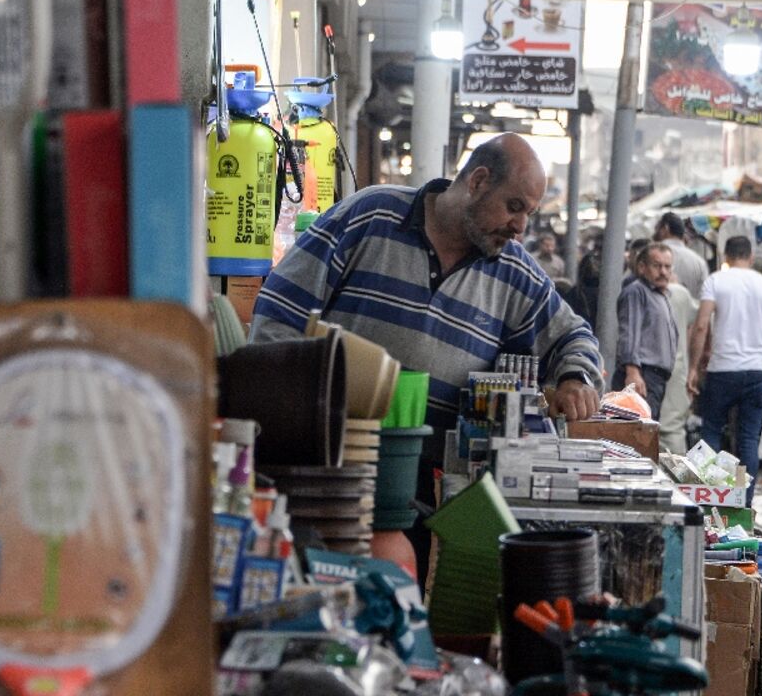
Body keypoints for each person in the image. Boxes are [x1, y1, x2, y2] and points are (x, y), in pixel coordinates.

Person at [251, 133, 604, 571]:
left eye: (528, 214)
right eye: (514, 207)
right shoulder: (371, 215)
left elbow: (574, 335)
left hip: (414, 487)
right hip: (325, 468)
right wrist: (283, 423)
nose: (521, 228)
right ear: (477, 181)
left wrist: (576, 377)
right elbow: (279, 312)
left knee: (395, 593)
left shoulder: (514, 272)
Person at [687, 236, 762, 504]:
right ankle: (743, 503)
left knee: (711, 432)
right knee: (748, 439)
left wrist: (693, 368)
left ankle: (708, 500)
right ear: (751, 256)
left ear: (724, 255)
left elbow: (700, 326)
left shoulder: (716, 282)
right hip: (757, 372)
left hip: (722, 370)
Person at [614, 243, 678, 420]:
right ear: (642, 267)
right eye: (657, 266)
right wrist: (632, 371)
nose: (663, 272)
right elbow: (629, 332)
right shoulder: (636, 291)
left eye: (667, 267)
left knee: (647, 432)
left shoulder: (660, 295)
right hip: (642, 375)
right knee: (637, 432)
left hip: (655, 378)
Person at [659, 277, 698, 454]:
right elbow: (701, 322)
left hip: (649, 372)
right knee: (672, 429)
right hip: (675, 370)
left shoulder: (633, 289)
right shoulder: (680, 294)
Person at [654, 212, 708, 303]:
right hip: (689, 316)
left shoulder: (652, 255)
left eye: (657, 228)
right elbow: (704, 297)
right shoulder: (700, 262)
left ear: (665, 228)